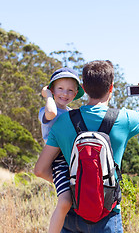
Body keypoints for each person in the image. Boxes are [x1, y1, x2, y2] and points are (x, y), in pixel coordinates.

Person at [34, 60, 139, 232]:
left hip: (72, 213)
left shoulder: (62, 122)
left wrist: (72, 183)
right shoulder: (124, 119)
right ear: (111, 88)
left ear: (84, 88)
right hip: (107, 215)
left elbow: (40, 170)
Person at [37, 67, 85, 233]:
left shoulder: (72, 113)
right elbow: (52, 112)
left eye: (70, 90)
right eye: (60, 89)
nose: (65, 94)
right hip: (58, 160)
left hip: (72, 158)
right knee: (65, 201)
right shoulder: (46, 111)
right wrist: (48, 95)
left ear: (76, 93)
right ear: (52, 90)